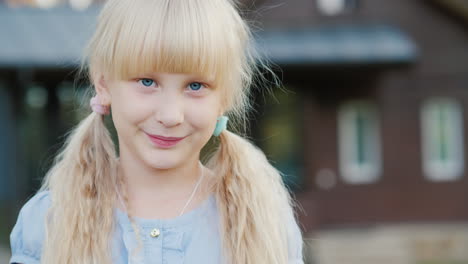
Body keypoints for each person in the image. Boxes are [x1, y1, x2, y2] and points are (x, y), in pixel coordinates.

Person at [9, 0, 304, 263]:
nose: (170, 115)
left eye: (195, 86)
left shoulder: (263, 221)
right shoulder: (49, 221)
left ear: (223, 99)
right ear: (103, 84)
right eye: (147, 82)